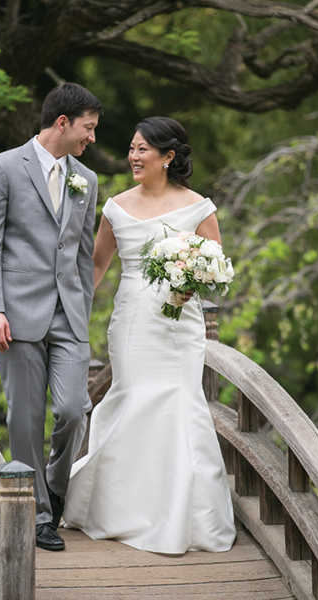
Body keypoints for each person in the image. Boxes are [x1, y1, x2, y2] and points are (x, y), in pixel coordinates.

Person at [63, 116, 236, 554]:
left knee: (180, 403)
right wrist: (69, 315)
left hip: (180, 324)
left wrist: (190, 279)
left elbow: (217, 272)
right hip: (133, 320)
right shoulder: (116, 206)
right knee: (133, 399)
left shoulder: (200, 207)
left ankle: (183, 517)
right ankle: (121, 510)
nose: (134, 157)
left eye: (143, 150)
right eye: (132, 148)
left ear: (168, 157)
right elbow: (97, 267)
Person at [0, 83, 102, 552]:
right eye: (88, 128)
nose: (92, 139)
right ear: (62, 123)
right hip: (16, 313)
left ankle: (55, 486)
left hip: (69, 315)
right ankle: (39, 513)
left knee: (72, 410)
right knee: (25, 418)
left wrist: (83, 311)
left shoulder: (86, 177)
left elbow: (84, 253)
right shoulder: (3, 167)